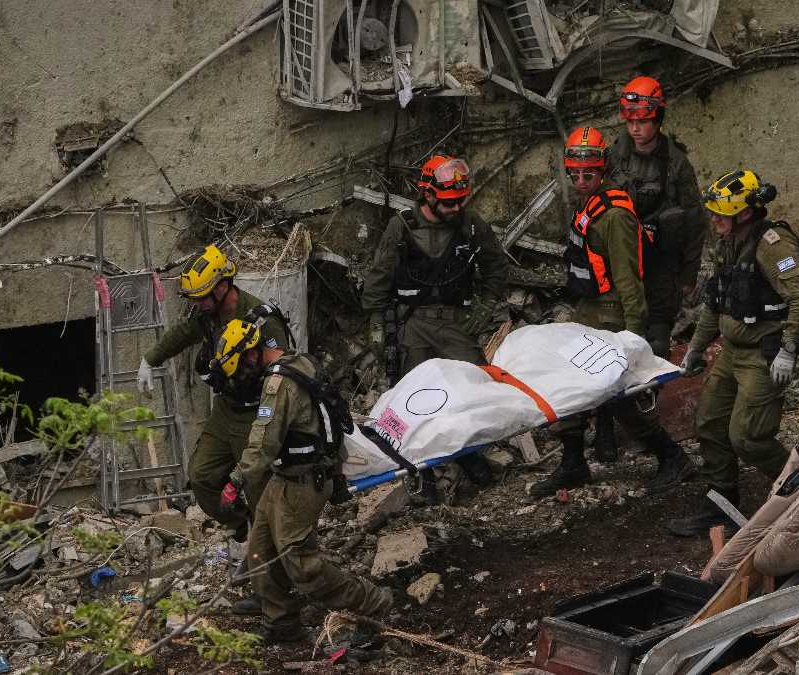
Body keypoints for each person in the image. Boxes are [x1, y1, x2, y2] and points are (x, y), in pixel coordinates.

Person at [530, 126, 696, 499]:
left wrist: (633, 336)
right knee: (568, 385)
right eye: (575, 174)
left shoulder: (616, 216)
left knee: (620, 395)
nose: (582, 180)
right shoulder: (585, 206)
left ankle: (673, 458)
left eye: (589, 174)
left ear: (602, 169)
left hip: (612, 316)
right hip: (587, 310)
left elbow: (629, 279)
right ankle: (573, 464)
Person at [216, 319, 392, 643]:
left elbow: (263, 441)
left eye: (241, 368)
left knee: (302, 564)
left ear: (253, 355)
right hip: (287, 476)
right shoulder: (300, 360)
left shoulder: (278, 384)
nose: (244, 377)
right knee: (260, 550)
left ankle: (373, 602)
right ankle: (282, 621)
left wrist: (237, 480)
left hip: (303, 480)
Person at [667, 170, 799, 537]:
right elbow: (714, 304)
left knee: (748, 437)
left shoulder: (773, 245)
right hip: (733, 350)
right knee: (710, 422)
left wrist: (789, 350)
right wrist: (696, 349)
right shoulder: (728, 242)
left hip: (763, 354)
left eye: (722, 212)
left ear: (745, 213)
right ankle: (722, 502)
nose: (714, 218)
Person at [360, 155, 509, 499]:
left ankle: (471, 458)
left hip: (457, 321)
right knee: (411, 401)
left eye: (460, 200)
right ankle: (421, 474)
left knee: (474, 390)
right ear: (428, 195)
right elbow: (379, 278)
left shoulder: (471, 225)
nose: (456, 207)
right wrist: (377, 326)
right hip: (414, 322)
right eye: (448, 201)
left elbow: (496, 267)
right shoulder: (402, 227)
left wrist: (484, 308)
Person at [137, 244, 290, 534]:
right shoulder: (208, 317)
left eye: (202, 297)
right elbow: (182, 334)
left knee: (260, 491)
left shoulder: (262, 321)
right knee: (201, 476)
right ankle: (240, 525)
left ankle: (269, 554)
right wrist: (150, 359)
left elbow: (282, 373)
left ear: (222, 287)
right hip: (226, 412)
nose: (198, 304)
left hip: (258, 414)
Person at [607, 75, 707, 358]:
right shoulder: (616, 154)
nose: (635, 129)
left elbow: (694, 222)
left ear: (658, 119)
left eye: (642, 122)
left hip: (662, 263)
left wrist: (689, 274)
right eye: (630, 122)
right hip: (624, 259)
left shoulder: (676, 163)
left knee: (658, 342)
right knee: (620, 339)